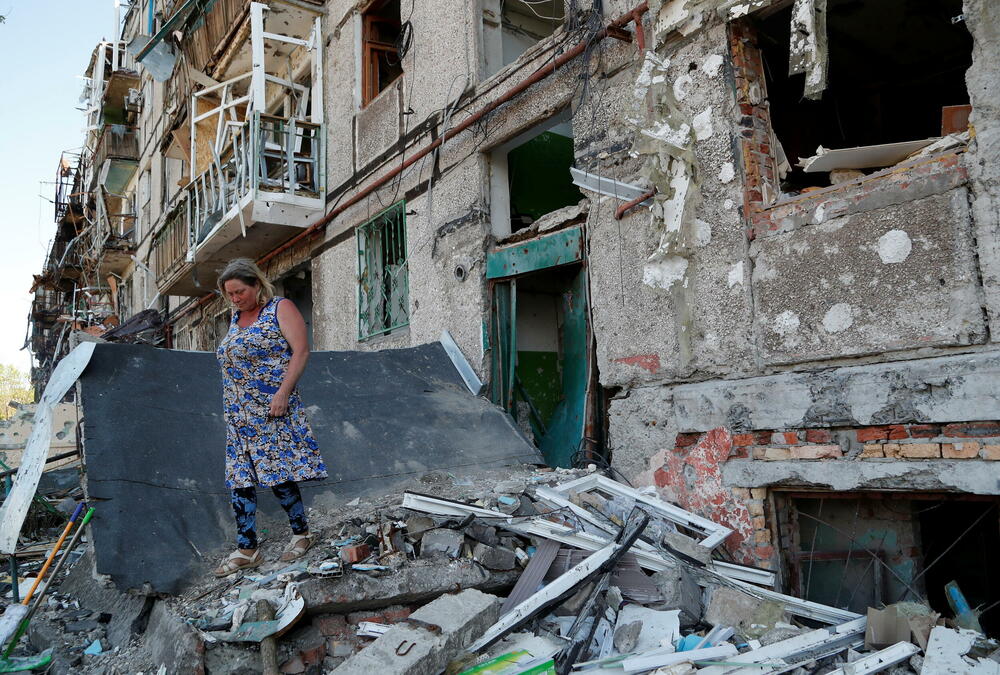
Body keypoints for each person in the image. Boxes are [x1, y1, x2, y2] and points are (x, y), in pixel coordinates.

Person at [213, 258, 328, 577]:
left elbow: (301, 351)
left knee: (278, 474)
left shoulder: (280, 308)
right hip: (239, 416)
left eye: (239, 291)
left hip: (272, 408)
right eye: (230, 294)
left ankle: (302, 533)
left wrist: (283, 393)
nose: (235, 298)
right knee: (239, 478)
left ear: (256, 285)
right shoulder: (235, 318)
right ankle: (247, 549)